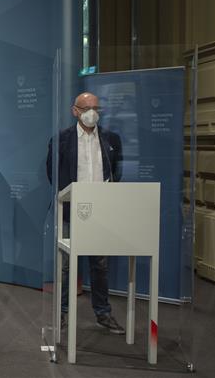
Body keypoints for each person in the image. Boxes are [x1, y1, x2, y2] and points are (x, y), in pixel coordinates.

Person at [46, 92, 125, 335]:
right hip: (72, 211)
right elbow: (54, 173)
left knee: (100, 265)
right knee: (66, 266)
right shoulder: (61, 139)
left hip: (100, 211)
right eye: (87, 108)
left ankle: (103, 313)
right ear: (75, 111)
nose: (92, 112)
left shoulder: (111, 139)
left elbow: (117, 170)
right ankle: (62, 313)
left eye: (96, 107)